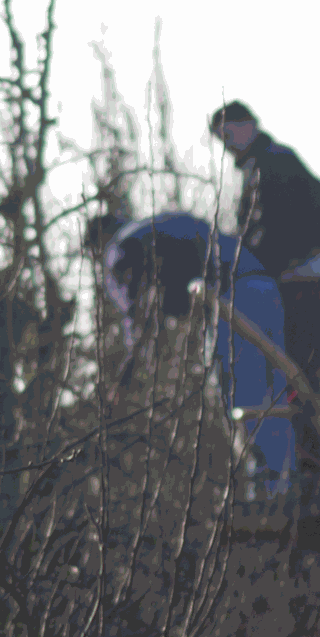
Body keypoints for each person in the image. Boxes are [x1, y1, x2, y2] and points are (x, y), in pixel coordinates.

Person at [89, 209, 297, 493]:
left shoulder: (121, 248)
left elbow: (136, 316)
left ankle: (267, 492)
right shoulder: (156, 226)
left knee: (244, 396)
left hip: (232, 299)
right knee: (274, 394)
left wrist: (123, 382)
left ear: (98, 244)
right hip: (264, 286)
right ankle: (284, 487)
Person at [209, 101, 320, 483]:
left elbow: (278, 229)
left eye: (231, 132)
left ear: (249, 125)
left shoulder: (272, 165)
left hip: (310, 280)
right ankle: (305, 473)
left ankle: (309, 475)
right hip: (301, 279)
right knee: (296, 377)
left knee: (300, 376)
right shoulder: (262, 168)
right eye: (223, 138)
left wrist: (253, 261)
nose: (229, 144)